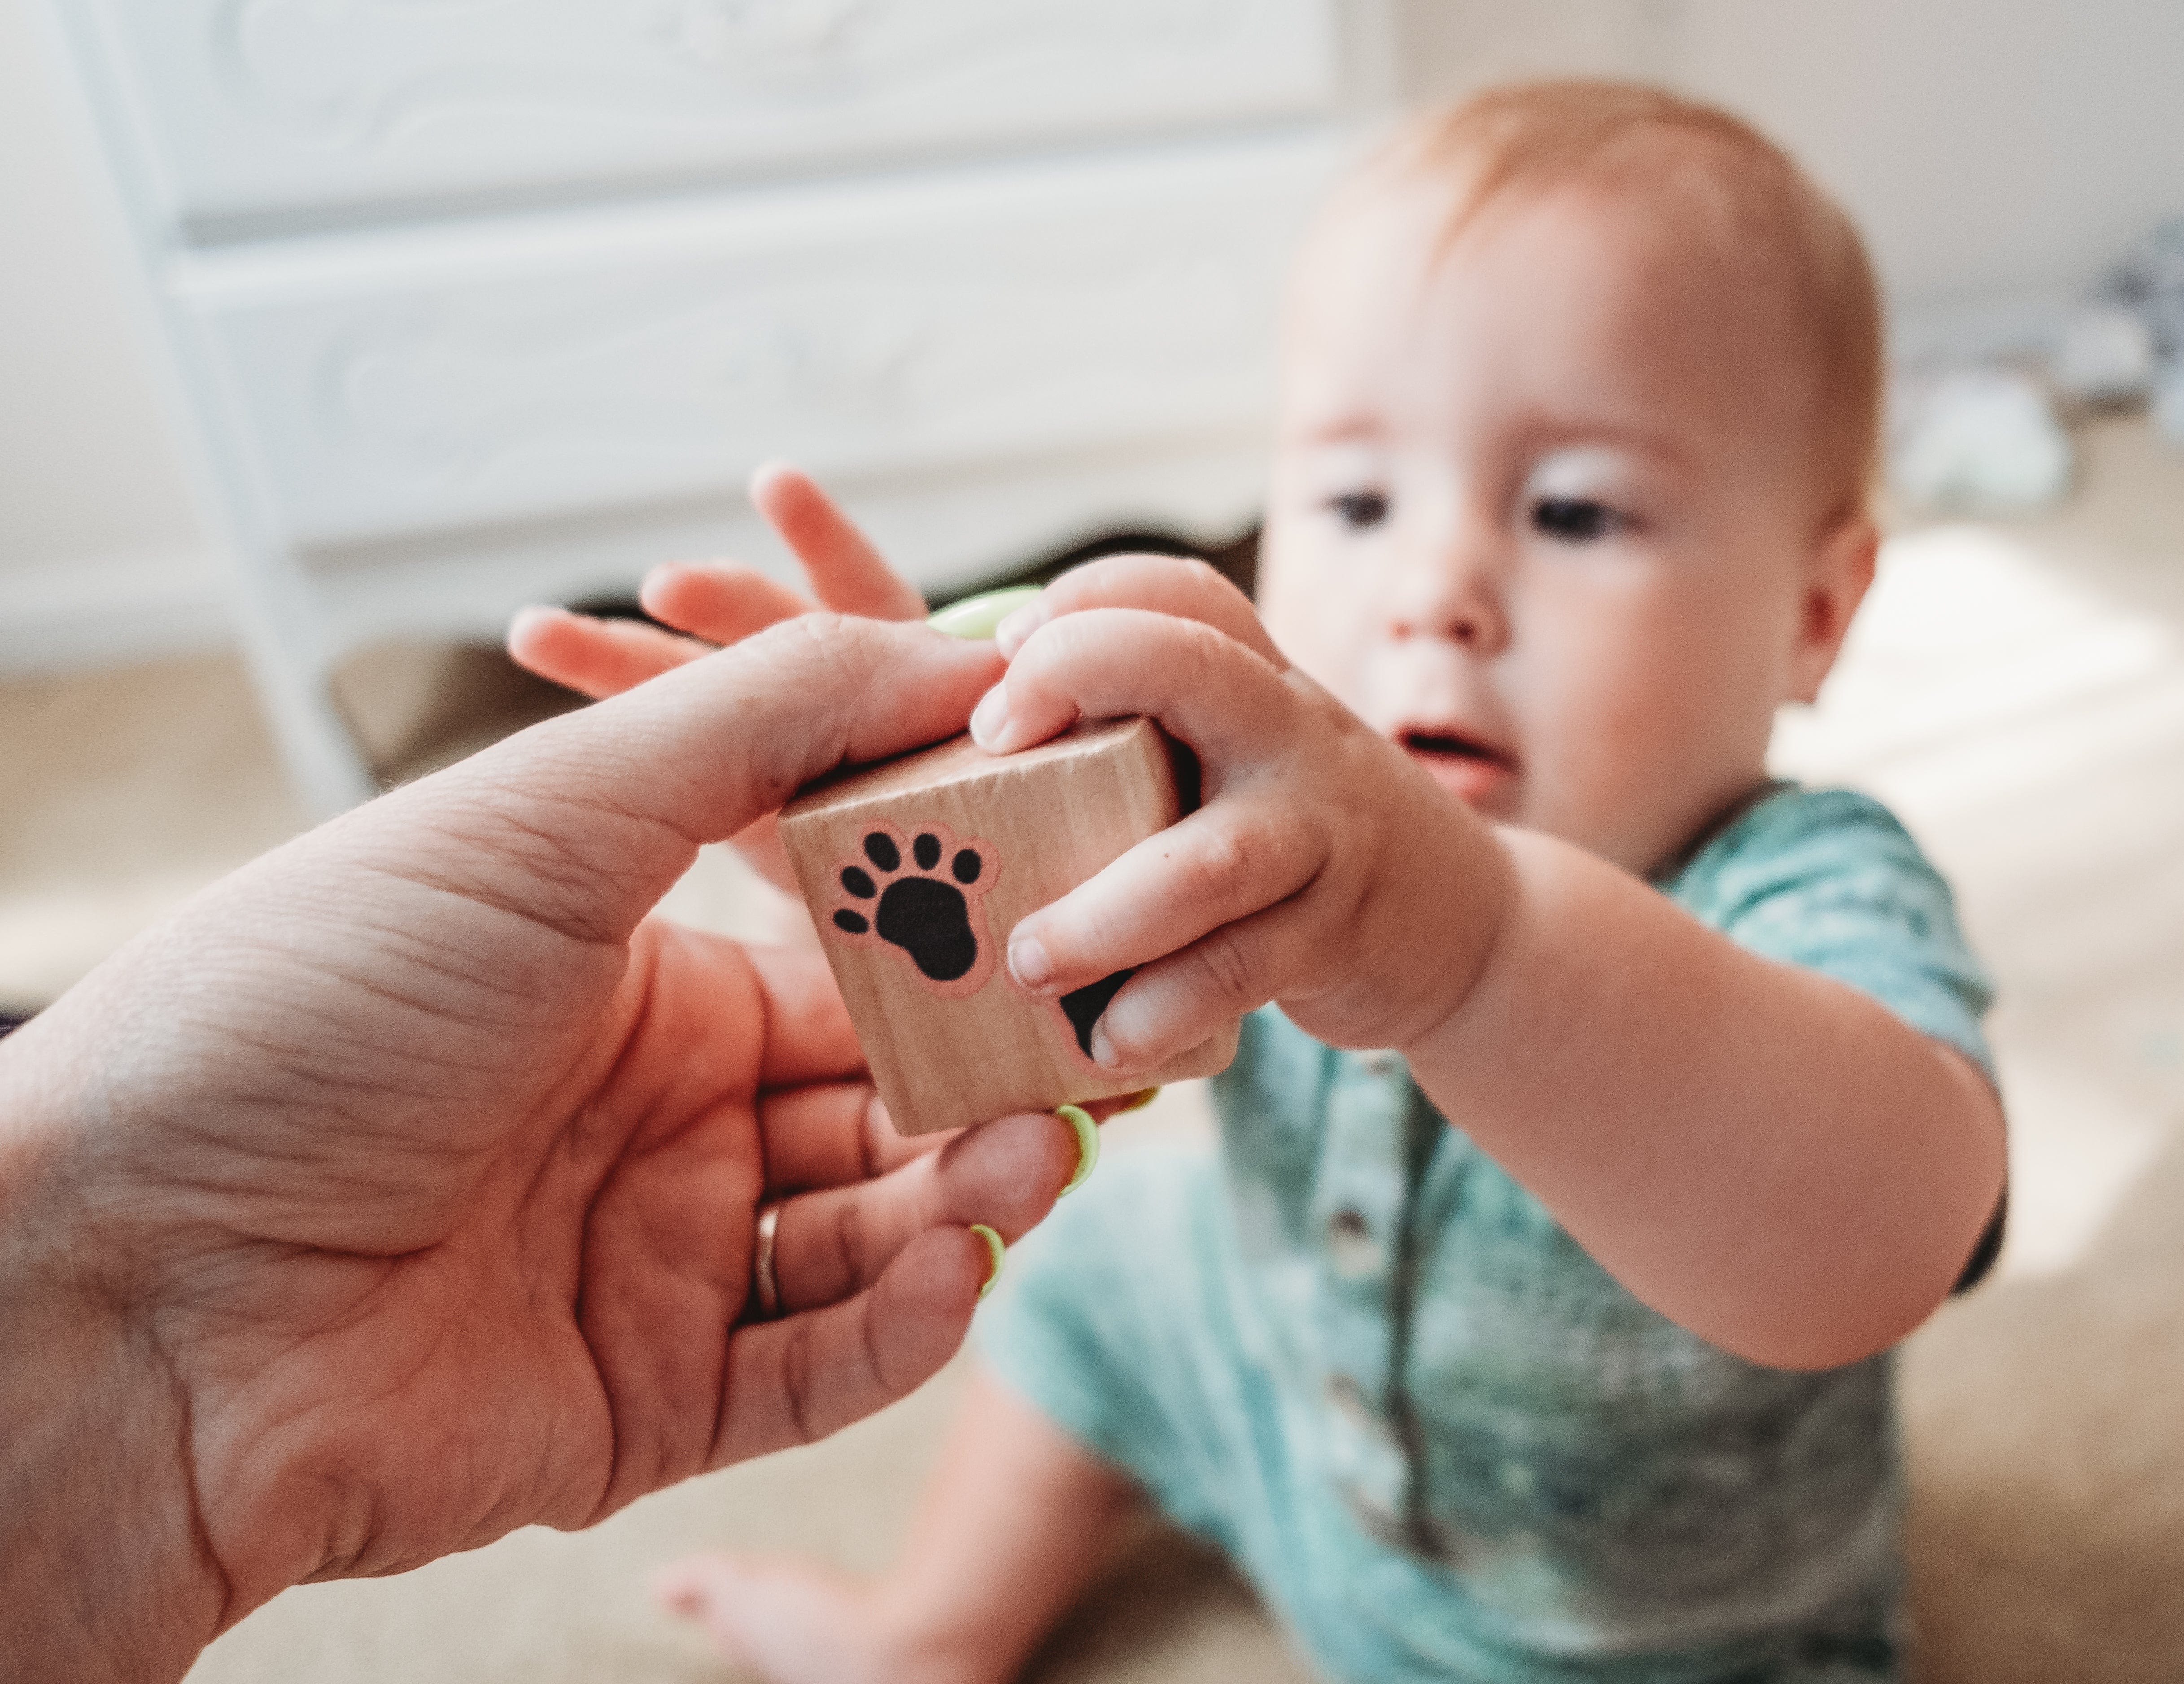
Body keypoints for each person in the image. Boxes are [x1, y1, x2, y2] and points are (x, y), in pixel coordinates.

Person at [515, 81, 2009, 1683]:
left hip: (1662, 1644)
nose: (1435, 590)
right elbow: (1032, 1016)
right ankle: (929, 1631)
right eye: (1360, 501)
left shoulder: (1807, 882)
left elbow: (1884, 1242)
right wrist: (916, 824)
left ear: (1816, 610)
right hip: (1293, 1427)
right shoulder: (1241, 824)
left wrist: (1475, 945)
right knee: (1097, 1276)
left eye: (1574, 508)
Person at [0, 602, 1111, 1684]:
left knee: (1059, 1217)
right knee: (1091, 1289)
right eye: (1297, 503)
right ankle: (925, 1638)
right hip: (1183, 1287)